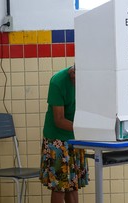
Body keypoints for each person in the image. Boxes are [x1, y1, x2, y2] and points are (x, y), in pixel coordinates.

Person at [39, 65, 89, 203]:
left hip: (75, 137)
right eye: (74, 77)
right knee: (59, 186)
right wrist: (84, 128)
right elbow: (59, 120)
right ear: (72, 71)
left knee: (73, 185)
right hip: (56, 139)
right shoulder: (57, 82)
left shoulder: (88, 81)